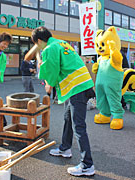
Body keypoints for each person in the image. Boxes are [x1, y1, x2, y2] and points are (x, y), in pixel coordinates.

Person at [31, 26, 95, 176]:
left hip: (76, 88)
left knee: (79, 126)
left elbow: (52, 71)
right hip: (82, 85)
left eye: (36, 44)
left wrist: (48, 84)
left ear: (39, 41)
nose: (37, 47)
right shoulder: (62, 43)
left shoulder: (49, 49)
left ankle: (87, 165)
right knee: (68, 119)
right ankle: (65, 148)